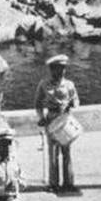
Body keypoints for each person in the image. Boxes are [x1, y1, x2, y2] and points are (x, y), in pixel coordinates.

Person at [35, 55, 80, 192]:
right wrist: (41, 117)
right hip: (52, 118)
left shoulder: (69, 85)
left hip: (65, 118)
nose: (61, 71)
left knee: (66, 151)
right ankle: (53, 183)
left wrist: (71, 106)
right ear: (52, 69)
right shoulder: (44, 84)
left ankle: (69, 182)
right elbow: (38, 103)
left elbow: (76, 100)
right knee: (53, 152)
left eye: (63, 69)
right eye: (57, 69)